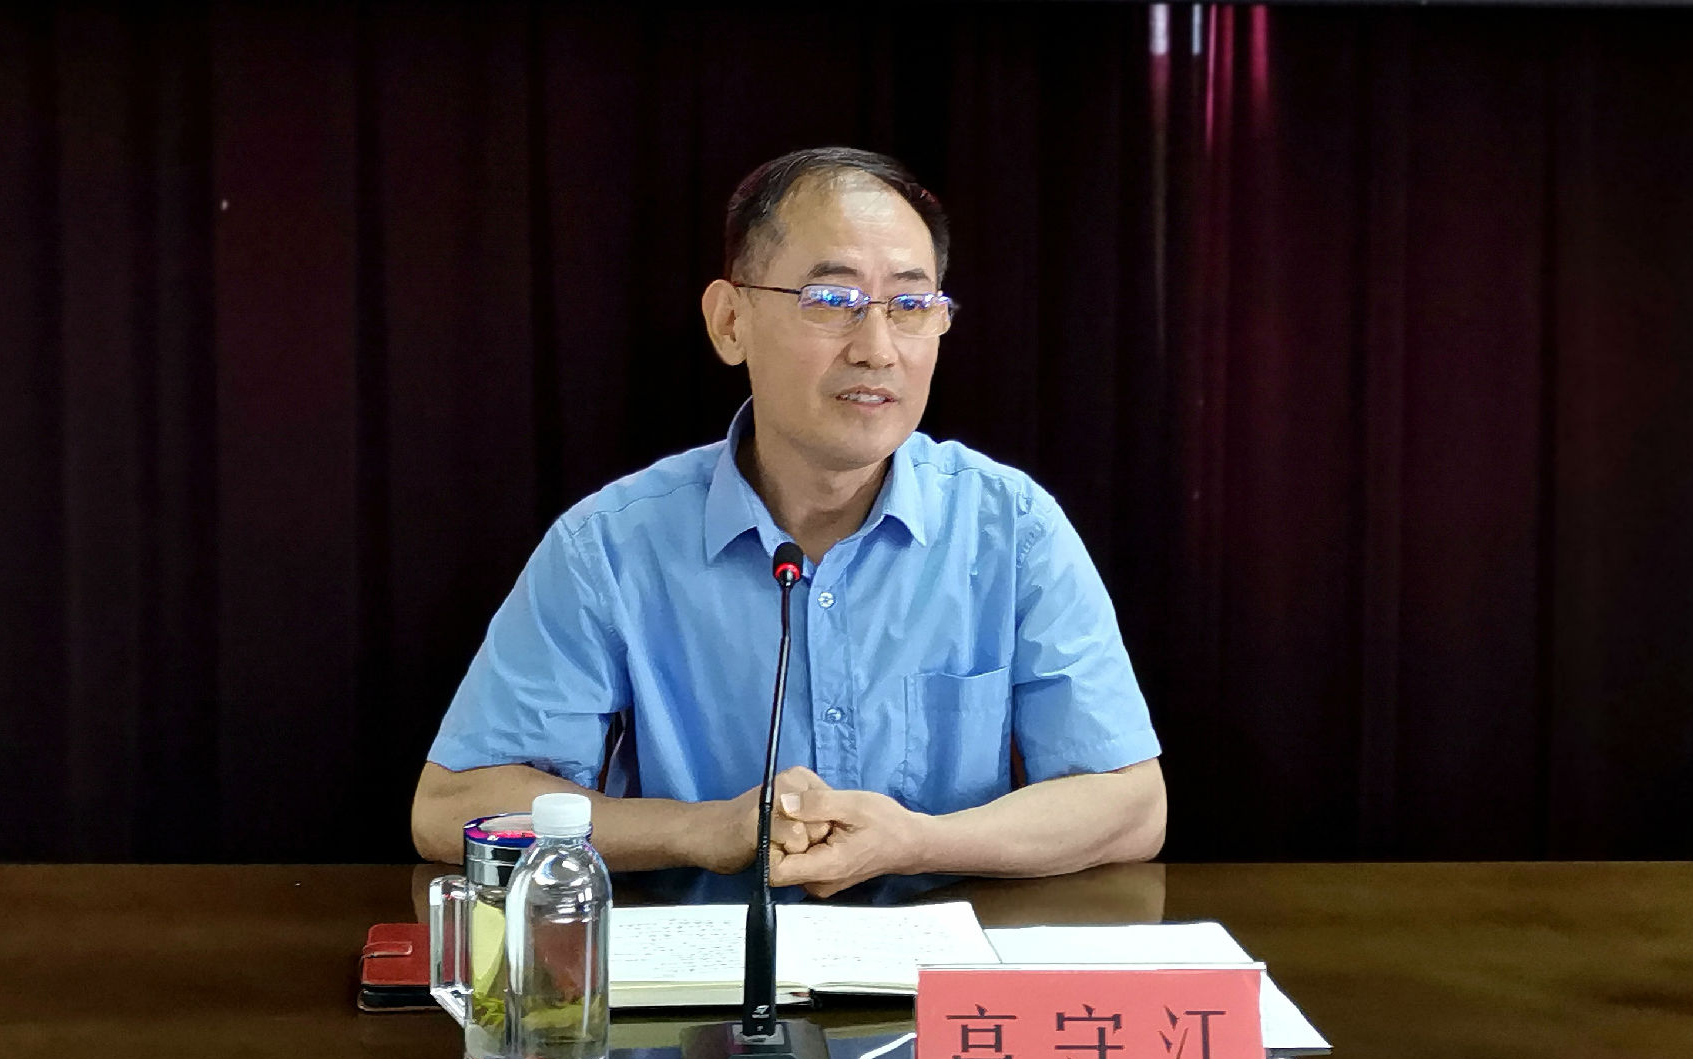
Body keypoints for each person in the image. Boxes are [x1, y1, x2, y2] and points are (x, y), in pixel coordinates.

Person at [411, 146, 1164, 900]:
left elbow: (1131, 807)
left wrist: (918, 841)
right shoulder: (611, 546)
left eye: (910, 306)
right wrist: (698, 829)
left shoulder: (1010, 527)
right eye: (832, 301)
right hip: (702, 969)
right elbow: (451, 809)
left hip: (942, 964)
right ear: (729, 321)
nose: (877, 350)